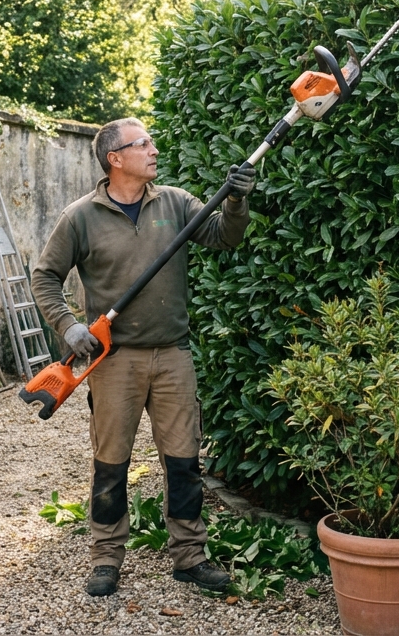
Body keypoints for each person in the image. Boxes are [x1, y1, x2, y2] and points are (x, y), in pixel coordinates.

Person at [30, 117, 255, 597]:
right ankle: (106, 557)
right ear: (115, 158)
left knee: (184, 461)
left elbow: (223, 236)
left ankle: (190, 557)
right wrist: (69, 327)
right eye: (143, 143)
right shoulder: (81, 217)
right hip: (114, 363)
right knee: (111, 462)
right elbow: (45, 276)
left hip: (173, 354)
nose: (154, 149)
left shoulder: (174, 202)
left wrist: (236, 201)